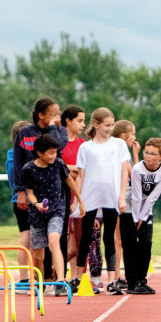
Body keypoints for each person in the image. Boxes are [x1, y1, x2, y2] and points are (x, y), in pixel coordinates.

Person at [73, 108, 130, 295]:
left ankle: (112, 280)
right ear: (96, 125)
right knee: (86, 238)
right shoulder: (86, 148)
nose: (110, 128)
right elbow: (80, 175)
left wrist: (122, 196)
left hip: (111, 197)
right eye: (107, 125)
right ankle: (78, 279)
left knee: (110, 239)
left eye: (112, 125)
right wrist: (78, 200)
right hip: (90, 197)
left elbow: (124, 172)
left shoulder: (119, 144)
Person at [19, 135, 86, 295]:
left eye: (55, 152)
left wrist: (80, 201)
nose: (53, 156)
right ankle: (41, 282)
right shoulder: (28, 169)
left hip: (57, 210)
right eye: (50, 153)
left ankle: (61, 281)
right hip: (37, 214)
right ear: (39, 153)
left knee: (54, 240)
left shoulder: (58, 164)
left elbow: (70, 181)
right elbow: (30, 193)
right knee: (37, 255)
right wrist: (36, 204)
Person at [122, 137, 161, 294]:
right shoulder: (137, 169)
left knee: (146, 242)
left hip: (146, 210)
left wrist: (143, 218)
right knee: (130, 245)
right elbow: (136, 196)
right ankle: (132, 281)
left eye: (153, 154)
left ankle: (141, 280)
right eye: (146, 152)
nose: (148, 156)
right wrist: (136, 219)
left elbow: (152, 196)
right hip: (131, 209)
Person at [60, 104, 86, 291]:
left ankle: (78, 279)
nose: (83, 125)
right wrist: (70, 168)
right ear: (68, 121)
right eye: (79, 121)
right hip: (61, 195)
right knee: (65, 242)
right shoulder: (58, 143)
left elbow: (84, 171)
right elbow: (54, 165)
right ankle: (55, 272)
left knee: (79, 241)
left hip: (80, 195)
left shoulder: (83, 144)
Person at [112, 120, 140, 289]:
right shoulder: (120, 151)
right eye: (133, 133)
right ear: (124, 135)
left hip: (121, 197)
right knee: (117, 239)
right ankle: (115, 276)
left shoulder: (121, 151)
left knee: (119, 240)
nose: (135, 137)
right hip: (118, 197)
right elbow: (135, 173)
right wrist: (136, 155)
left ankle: (117, 276)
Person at [6, 119, 31, 279]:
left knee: (26, 238)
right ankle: (28, 277)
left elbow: (11, 180)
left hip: (18, 198)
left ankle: (24, 278)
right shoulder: (24, 154)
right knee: (29, 239)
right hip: (27, 199)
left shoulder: (10, 154)